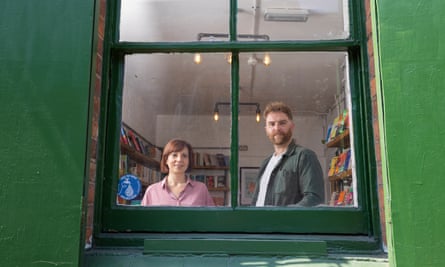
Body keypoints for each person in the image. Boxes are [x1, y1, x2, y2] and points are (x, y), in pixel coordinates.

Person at [252, 101, 325, 207]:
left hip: (285, 224)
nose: (277, 128)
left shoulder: (304, 156)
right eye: (271, 124)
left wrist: (280, 217)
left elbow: (314, 199)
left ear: (291, 126)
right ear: (266, 129)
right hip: (259, 223)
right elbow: (256, 201)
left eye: (282, 123)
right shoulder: (266, 163)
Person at [141, 138, 215, 207]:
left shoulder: (201, 189)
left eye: (184, 156)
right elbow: (143, 219)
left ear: (189, 161)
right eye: (174, 155)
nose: (179, 159)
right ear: (166, 159)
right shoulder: (152, 191)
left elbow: (211, 218)